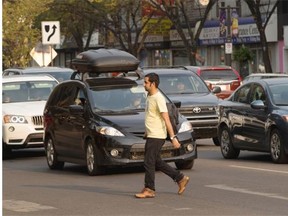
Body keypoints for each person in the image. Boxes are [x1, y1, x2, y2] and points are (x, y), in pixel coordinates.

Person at [135, 73, 189, 199]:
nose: (144, 85)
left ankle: (149, 189)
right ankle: (180, 178)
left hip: (157, 135)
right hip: (152, 134)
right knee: (157, 162)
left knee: (148, 162)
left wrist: (173, 137)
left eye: (146, 82)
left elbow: (166, 119)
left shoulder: (158, 98)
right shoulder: (149, 96)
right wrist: (147, 131)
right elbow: (152, 116)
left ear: (153, 84)